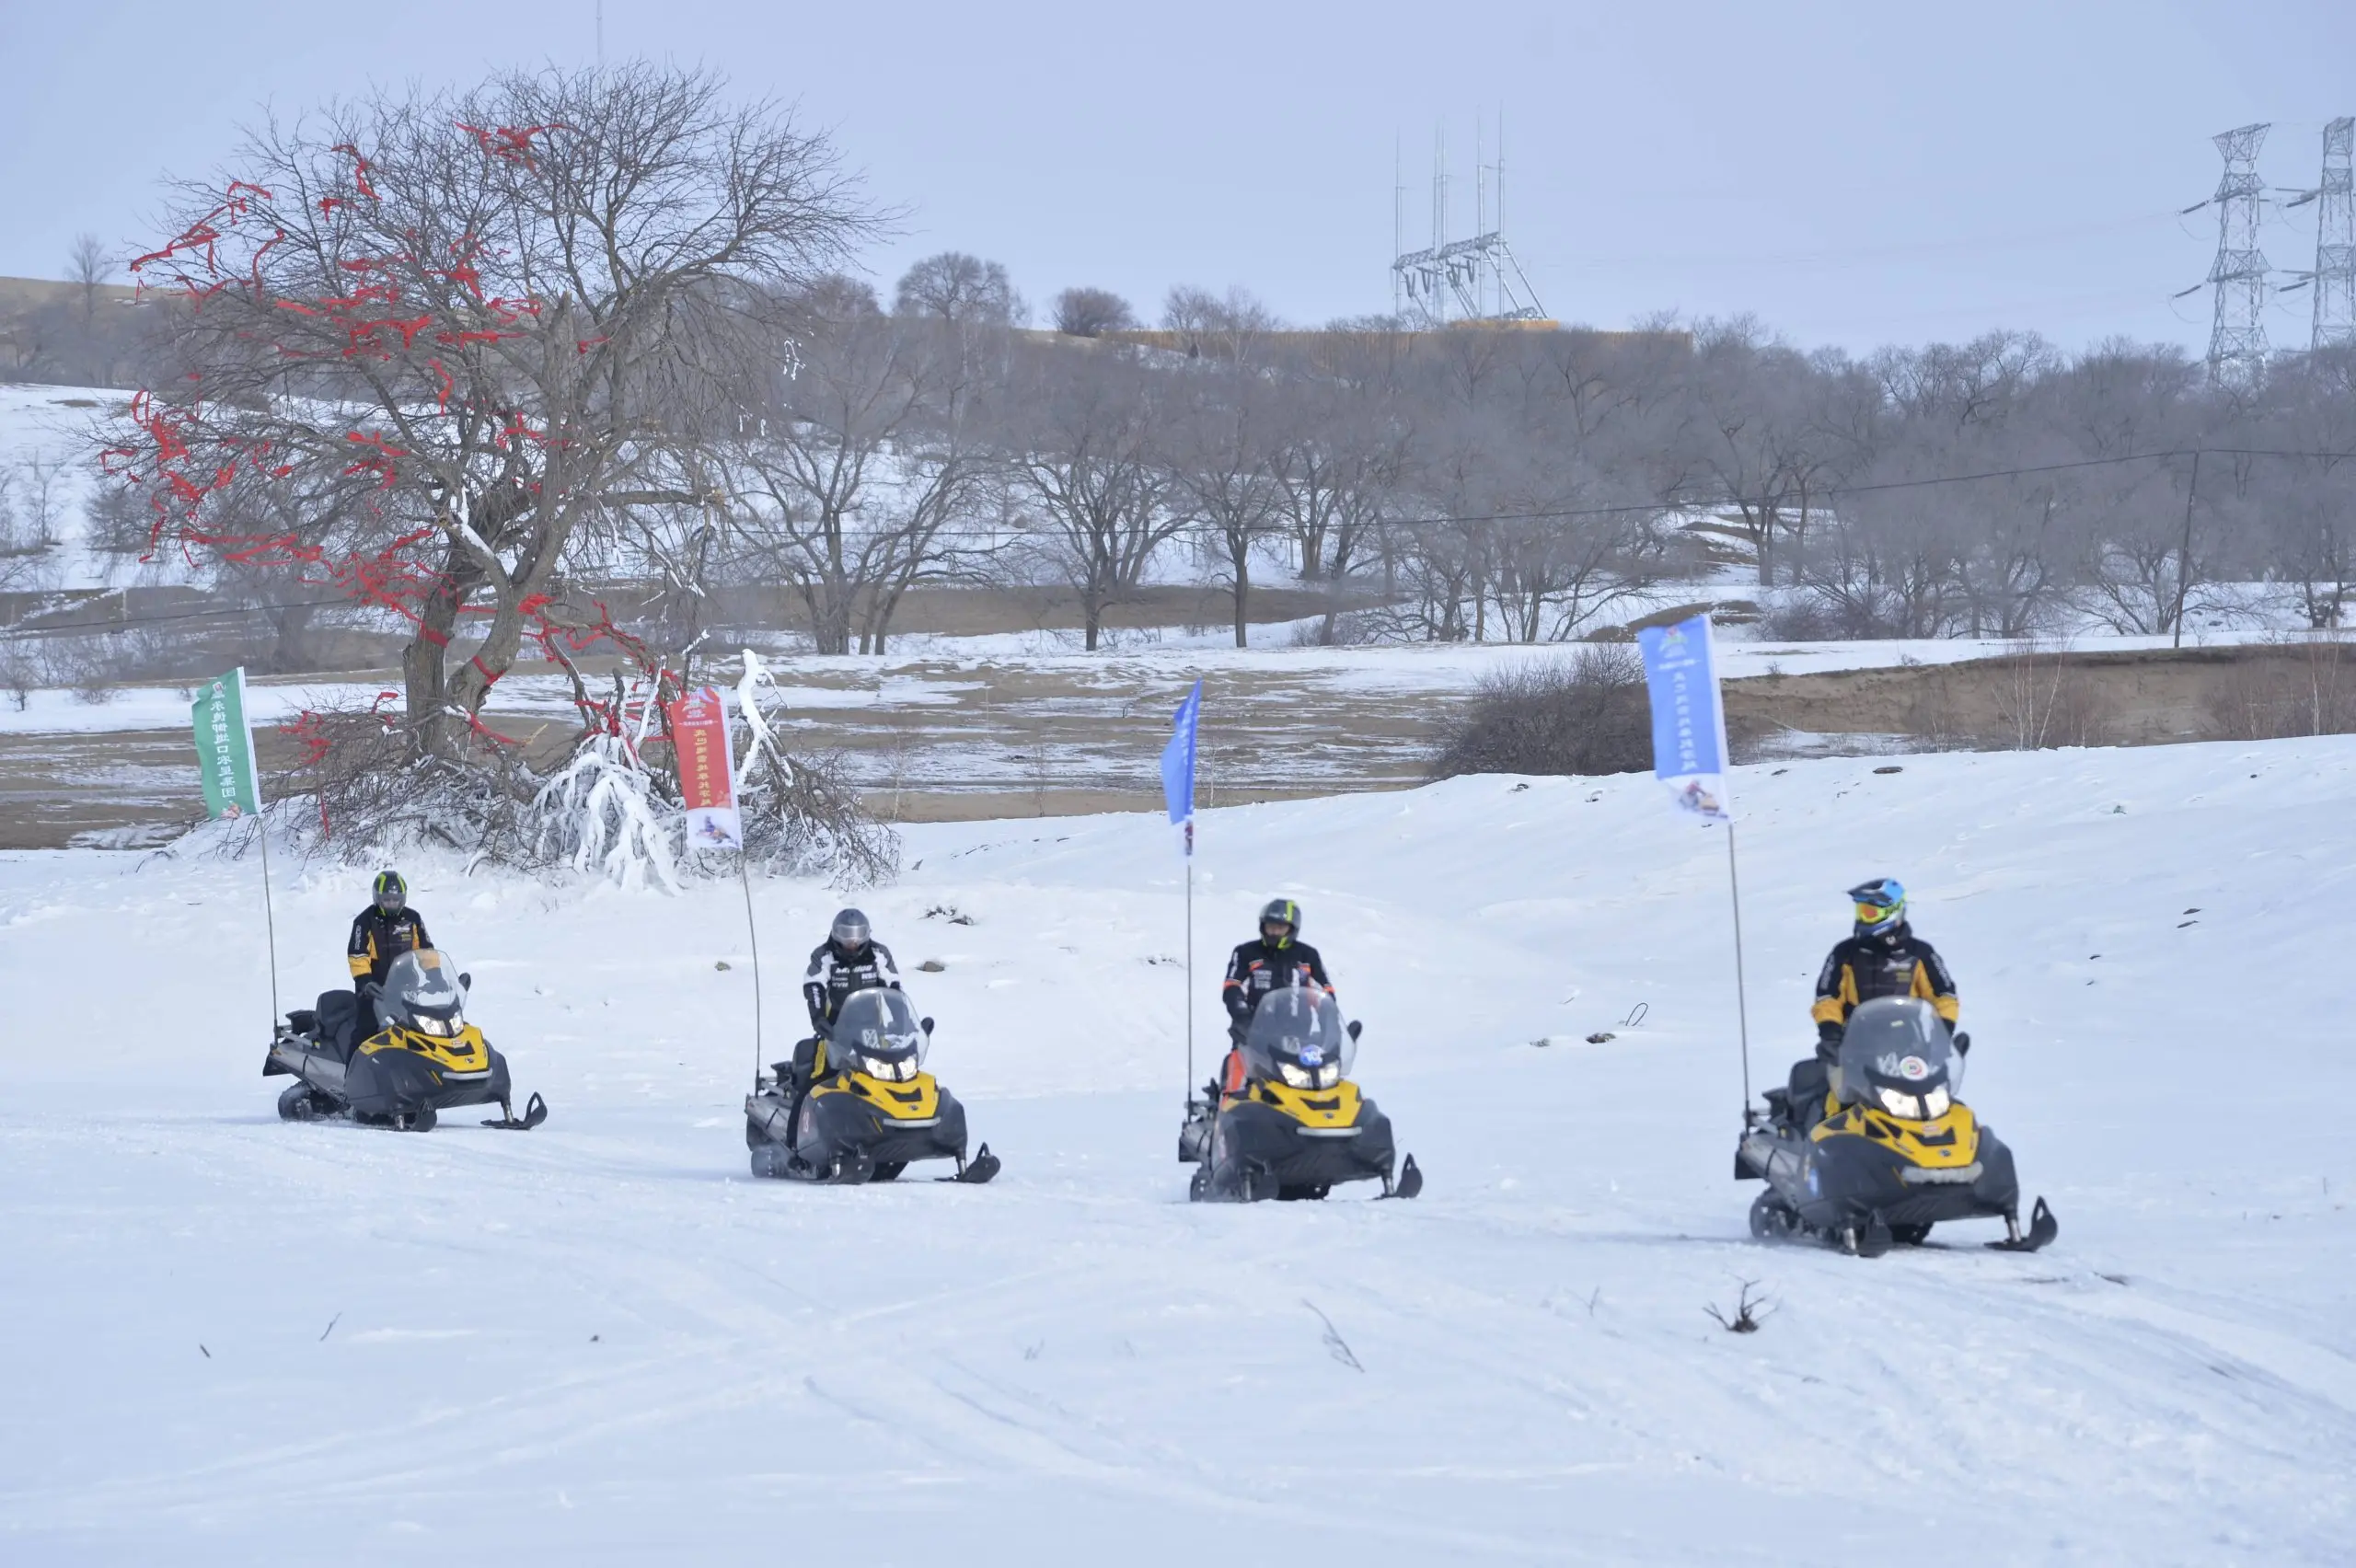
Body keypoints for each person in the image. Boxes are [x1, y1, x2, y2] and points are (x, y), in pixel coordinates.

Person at [1776, 878, 1959, 1126]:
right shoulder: (1845, 953)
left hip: (1909, 1049)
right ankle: (1826, 1152)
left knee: (1932, 1101)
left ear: (1892, 912)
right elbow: (1827, 997)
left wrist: (1943, 1033)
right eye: (1861, 911)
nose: (1862, 917)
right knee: (1840, 1102)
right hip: (1854, 1045)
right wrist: (1830, 1033)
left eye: (1869, 912)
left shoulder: (1920, 954)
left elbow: (1945, 995)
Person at [1214, 898, 1335, 1098]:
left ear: (1292, 928)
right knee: (1238, 1074)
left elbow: (1324, 991)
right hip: (1253, 1033)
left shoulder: (1308, 955)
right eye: (1270, 926)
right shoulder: (1246, 953)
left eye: (1280, 927)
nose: (1274, 932)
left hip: (1299, 1036)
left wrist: (1328, 1024)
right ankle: (1226, 1113)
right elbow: (1232, 986)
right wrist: (1242, 1016)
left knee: (1316, 1082)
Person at [345, 870, 432, 1045]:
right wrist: (366, 981)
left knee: (422, 1029)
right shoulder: (364, 921)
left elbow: (425, 951)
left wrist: (435, 974)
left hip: (407, 988)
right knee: (366, 1030)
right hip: (373, 989)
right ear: (377, 898)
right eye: (387, 900)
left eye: (396, 900)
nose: (392, 904)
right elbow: (357, 956)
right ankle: (352, 1069)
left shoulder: (412, 919)